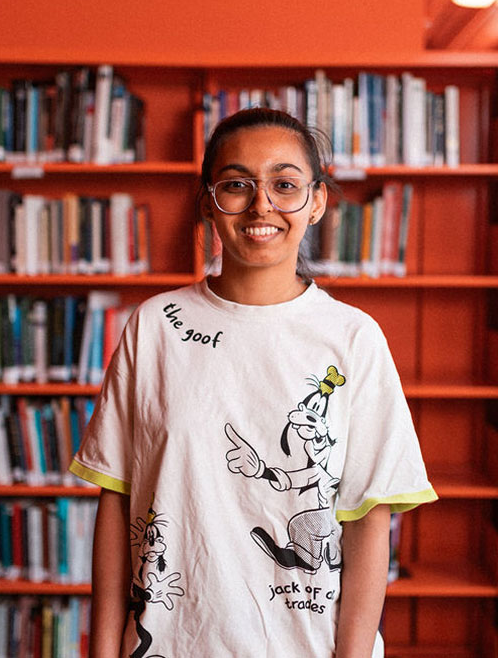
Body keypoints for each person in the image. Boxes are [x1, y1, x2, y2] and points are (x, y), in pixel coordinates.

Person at [70, 108, 437, 658]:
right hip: (171, 643)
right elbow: (117, 501)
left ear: (316, 202)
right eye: (237, 184)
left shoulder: (353, 338)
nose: (261, 205)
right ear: (208, 203)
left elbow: (368, 518)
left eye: (284, 185)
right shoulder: (154, 326)